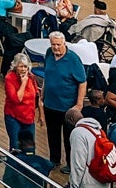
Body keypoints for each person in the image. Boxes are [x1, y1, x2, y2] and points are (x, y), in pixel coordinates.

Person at [42, 32, 88, 171]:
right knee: (52, 134)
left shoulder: (73, 60)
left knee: (69, 138)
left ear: (64, 44)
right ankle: (54, 160)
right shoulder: (49, 53)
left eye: (58, 44)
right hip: (50, 104)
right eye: (53, 44)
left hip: (67, 107)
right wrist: (42, 95)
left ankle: (70, 163)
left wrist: (79, 105)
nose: (55, 47)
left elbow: (82, 82)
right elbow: (47, 74)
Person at [4, 53, 40, 155]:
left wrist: (41, 115)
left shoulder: (31, 77)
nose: (23, 69)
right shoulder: (9, 78)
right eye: (21, 66)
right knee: (16, 147)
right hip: (13, 117)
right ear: (15, 67)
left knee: (30, 148)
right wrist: (23, 82)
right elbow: (16, 99)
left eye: (25, 66)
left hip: (29, 117)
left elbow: (36, 95)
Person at [66, 109, 108, 188]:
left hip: (88, 182)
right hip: (103, 179)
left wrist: (73, 185)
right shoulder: (98, 130)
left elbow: (78, 163)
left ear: (71, 120)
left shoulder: (77, 133)